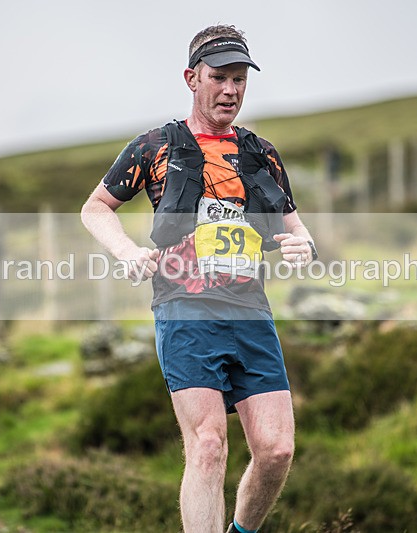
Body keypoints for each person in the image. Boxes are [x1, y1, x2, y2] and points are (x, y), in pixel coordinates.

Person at [81, 24, 317, 533]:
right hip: (184, 311)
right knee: (208, 444)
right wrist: (125, 250)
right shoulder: (156, 146)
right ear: (192, 78)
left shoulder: (262, 154)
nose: (231, 89)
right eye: (220, 78)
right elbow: (95, 207)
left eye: (239, 79)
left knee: (276, 450)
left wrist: (303, 244)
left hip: (250, 312)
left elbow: (295, 228)